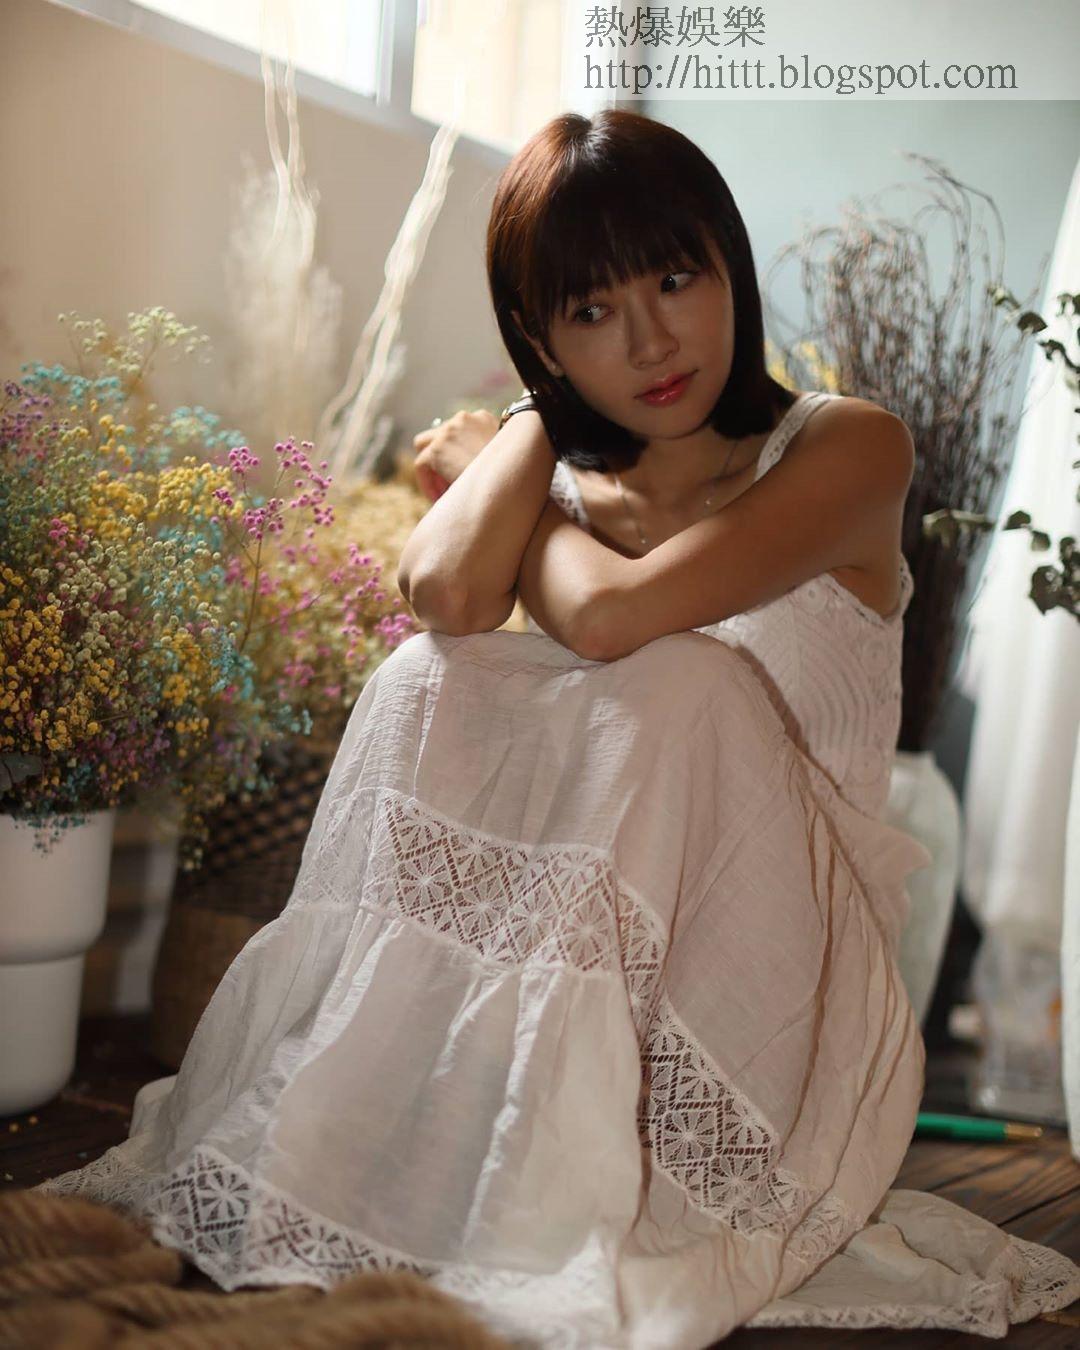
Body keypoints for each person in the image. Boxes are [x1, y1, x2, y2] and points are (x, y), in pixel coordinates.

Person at [34, 111, 1077, 1348]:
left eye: (675, 279)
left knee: (682, 682)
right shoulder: (564, 464)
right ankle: (414, 1103)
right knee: (427, 675)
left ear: (728, 264)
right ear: (540, 337)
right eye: (590, 311)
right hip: (597, 959)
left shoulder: (849, 445)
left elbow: (613, 618)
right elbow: (444, 595)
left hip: (796, 966)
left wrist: (520, 498)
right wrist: (535, 428)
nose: (650, 341)